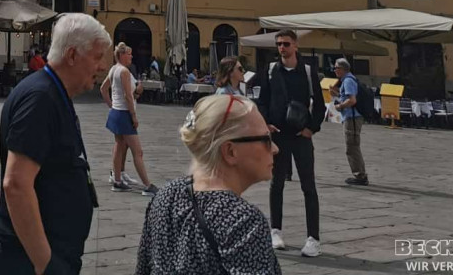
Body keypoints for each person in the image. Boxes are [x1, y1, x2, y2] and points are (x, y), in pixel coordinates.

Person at [0, 13, 111, 275]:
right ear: (72, 55)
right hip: (32, 257)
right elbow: (16, 184)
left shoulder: (51, 93)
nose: (102, 66)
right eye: (98, 57)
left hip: (48, 251)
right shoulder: (41, 99)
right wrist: (44, 262)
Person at [134, 93, 281, 275]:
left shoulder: (165, 196)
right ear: (230, 151)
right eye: (266, 139)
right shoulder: (244, 222)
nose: (275, 149)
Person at [254, 29, 321, 258]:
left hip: (301, 136)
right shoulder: (271, 70)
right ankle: (276, 231)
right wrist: (266, 123)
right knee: (277, 184)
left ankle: (313, 238)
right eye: (279, 44)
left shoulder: (308, 72)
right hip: (279, 135)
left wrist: (311, 128)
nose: (282, 48)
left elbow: (319, 103)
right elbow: (262, 99)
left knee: (308, 186)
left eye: (286, 44)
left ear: (295, 46)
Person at [101, 42, 157, 195]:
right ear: (121, 55)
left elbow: (103, 89)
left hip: (116, 112)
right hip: (124, 114)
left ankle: (117, 180)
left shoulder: (114, 69)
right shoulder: (124, 72)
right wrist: (133, 115)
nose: (131, 56)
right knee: (137, 152)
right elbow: (128, 96)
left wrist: (112, 105)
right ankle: (147, 185)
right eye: (129, 54)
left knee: (119, 146)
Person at [332, 58, 367, 186]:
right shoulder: (350, 79)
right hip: (352, 116)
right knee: (353, 145)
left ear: (342, 69)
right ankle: (360, 174)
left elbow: (352, 100)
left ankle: (360, 175)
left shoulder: (347, 81)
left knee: (352, 146)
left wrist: (340, 106)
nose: (335, 70)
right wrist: (336, 93)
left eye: (336, 68)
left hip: (352, 117)